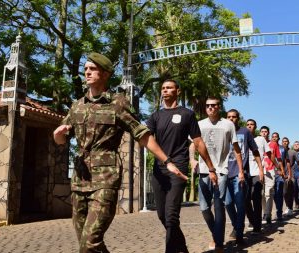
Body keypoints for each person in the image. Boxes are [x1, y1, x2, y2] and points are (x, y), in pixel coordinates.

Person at [53, 52, 186, 253]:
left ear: (105, 74)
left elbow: (142, 134)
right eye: (86, 68)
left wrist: (167, 161)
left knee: (90, 242)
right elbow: (61, 140)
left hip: (105, 179)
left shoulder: (118, 103)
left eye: (92, 68)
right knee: (86, 243)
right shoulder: (77, 105)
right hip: (79, 180)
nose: (87, 72)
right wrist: (58, 134)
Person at [146, 79, 217, 253]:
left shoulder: (187, 114)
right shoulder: (156, 116)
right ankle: (183, 248)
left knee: (171, 216)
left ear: (178, 91)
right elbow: (147, 138)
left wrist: (211, 168)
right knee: (163, 216)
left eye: (169, 88)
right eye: (163, 88)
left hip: (178, 169)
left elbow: (198, 142)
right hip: (159, 170)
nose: (165, 90)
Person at [189, 97, 242, 253]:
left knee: (219, 206)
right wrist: (192, 160)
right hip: (203, 171)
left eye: (214, 105)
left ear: (219, 107)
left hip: (221, 171)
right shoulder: (199, 124)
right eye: (208, 106)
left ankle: (218, 243)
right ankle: (215, 233)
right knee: (204, 208)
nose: (211, 108)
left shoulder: (228, 124)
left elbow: (236, 149)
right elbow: (193, 144)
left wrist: (240, 172)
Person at [225, 111, 263, 244]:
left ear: (238, 118)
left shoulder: (245, 132)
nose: (231, 119)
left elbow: (255, 151)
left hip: (241, 173)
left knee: (240, 204)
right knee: (228, 203)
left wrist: (261, 169)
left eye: (233, 117)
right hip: (225, 172)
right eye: (228, 117)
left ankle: (239, 233)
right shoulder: (223, 130)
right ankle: (237, 226)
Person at [245, 119, 268, 233]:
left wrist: (276, 167)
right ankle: (252, 220)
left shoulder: (260, 139)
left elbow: (268, 154)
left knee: (256, 198)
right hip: (245, 173)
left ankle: (257, 226)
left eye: (252, 124)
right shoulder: (242, 137)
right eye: (247, 124)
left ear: (255, 127)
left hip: (257, 173)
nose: (249, 126)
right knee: (245, 199)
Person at [269, 132, 285, 221]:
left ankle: (279, 213)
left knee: (279, 193)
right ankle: (268, 213)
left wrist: (283, 171)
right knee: (272, 194)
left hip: (279, 173)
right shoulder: (269, 145)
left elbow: (284, 161)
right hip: (270, 172)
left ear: (279, 138)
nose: (274, 138)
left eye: (276, 137)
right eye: (273, 137)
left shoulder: (282, 149)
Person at [282, 137, 295, 216]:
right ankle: (282, 209)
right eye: (283, 141)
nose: (285, 142)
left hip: (290, 175)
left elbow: (298, 163)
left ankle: (290, 208)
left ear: (288, 142)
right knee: (283, 193)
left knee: (289, 192)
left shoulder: (292, 152)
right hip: (280, 174)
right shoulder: (279, 150)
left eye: (286, 141)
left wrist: (291, 174)